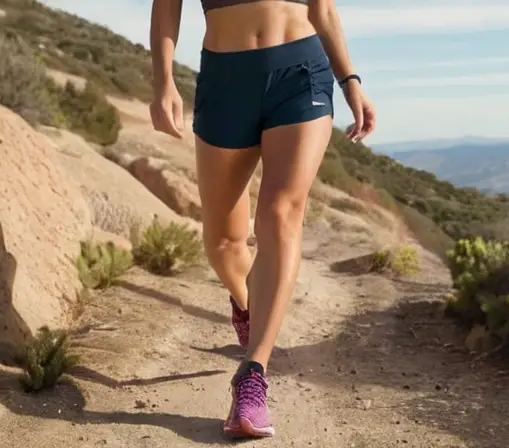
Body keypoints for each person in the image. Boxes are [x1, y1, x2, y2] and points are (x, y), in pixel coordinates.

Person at [148, 0, 376, 439]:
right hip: (225, 79)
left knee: (280, 214)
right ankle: (249, 305)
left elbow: (323, 9)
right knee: (223, 242)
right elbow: (165, 6)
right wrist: (163, 80)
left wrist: (350, 81)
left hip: (301, 70)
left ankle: (253, 375)